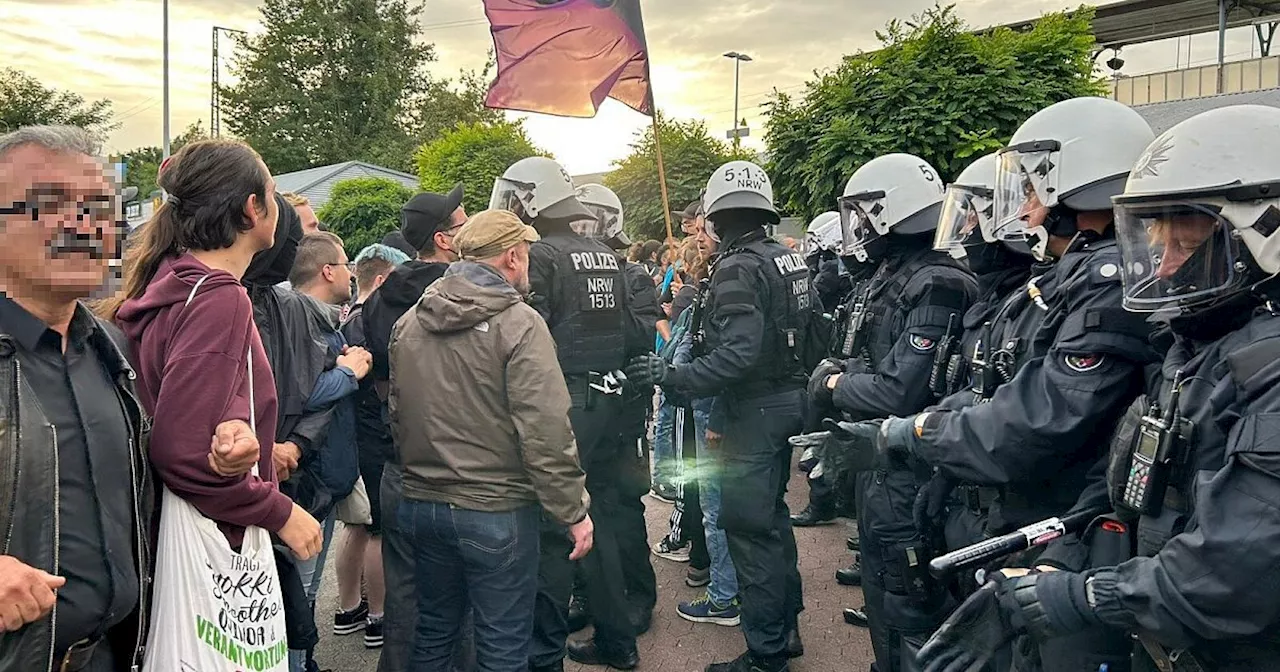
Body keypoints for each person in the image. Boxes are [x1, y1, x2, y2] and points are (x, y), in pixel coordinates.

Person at [919, 103, 1280, 672]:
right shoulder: (1201, 350)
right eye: (1156, 246)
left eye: (1184, 247)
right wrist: (1066, 554)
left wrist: (1083, 597)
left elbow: (1232, 575)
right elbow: (1133, 489)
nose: (1161, 270)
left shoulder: (1267, 374)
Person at [835, 97, 1159, 672]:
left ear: (1080, 183)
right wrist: (923, 432)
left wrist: (909, 433)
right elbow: (993, 391)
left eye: (1035, 192)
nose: (1026, 213)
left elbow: (1038, 419)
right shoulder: (1060, 283)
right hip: (1016, 513)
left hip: (1060, 528)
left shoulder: (1105, 284)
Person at [0, 126, 261, 672]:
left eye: (99, 206)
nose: (81, 224)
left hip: (118, 652)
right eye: (48, 203)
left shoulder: (113, 351)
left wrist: (229, 438)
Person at [626, 160, 816, 672]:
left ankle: (766, 654)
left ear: (715, 217)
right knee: (772, 523)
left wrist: (670, 377)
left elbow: (737, 356)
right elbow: (814, 336)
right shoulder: (785, 258)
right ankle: (787, 630)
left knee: (749, 532)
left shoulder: (737, 266)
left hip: (752, 410)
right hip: (786, 401)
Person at [389, 209, 594, 672]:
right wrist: (572, 511)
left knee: (435, 631)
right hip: (495, 509)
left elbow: (399, 413)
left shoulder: (411, 321)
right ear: (511, 258)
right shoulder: (520, 323)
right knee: (502, 643)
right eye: (524, 255)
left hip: (423, 503)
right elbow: (545, 429)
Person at [807, 153, 978, 671]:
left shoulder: (937, 282)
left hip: (914, 468)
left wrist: (834, 383)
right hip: (882, 462)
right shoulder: (894, 274)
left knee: (911, 603)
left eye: (864, 213)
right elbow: (878, 357)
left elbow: (899, 391)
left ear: (891, 211)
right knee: (883, 594)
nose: (858, 228)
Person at [491, 157, 637, 671]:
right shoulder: (602, 253)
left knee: (555, 532)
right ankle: (619, 640)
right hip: (608, 398)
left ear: (531, 198)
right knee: (594, 524)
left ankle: (541, 654)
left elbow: (533, 334)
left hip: (568, 402)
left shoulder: (545, 256)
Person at [361, 185, 467, 672]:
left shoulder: (380, 296)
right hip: (457, 464)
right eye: (463, 223)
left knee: (405, 590)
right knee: (463, 594)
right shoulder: (467, 294)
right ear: (444, 239)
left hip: (397, 458)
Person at [573, 183, 660, 636]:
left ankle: (636, 596)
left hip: (623, 408)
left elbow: (641, 339)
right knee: (586, 506)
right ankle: (591, 593)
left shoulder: (633, 277)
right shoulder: (571, 270)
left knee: (624, 506)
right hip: (586, 407)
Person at [289, 231, 375, 618]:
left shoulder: (318, 319)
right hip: (308, 480)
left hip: (321, 476)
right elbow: (300, 393)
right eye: (346, 265)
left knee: (304, 593)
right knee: (300, 595)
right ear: (327, 271)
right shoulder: (298, 318)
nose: (352, 274)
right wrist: (349, 373)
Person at [334, 243, 410, 649]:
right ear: (381, 280)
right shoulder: (370, 323)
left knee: (357, 525)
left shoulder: (346, 319)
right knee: (378, 529)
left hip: (353, 434)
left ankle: (348, 607)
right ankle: (379, 616)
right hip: (375, 436)